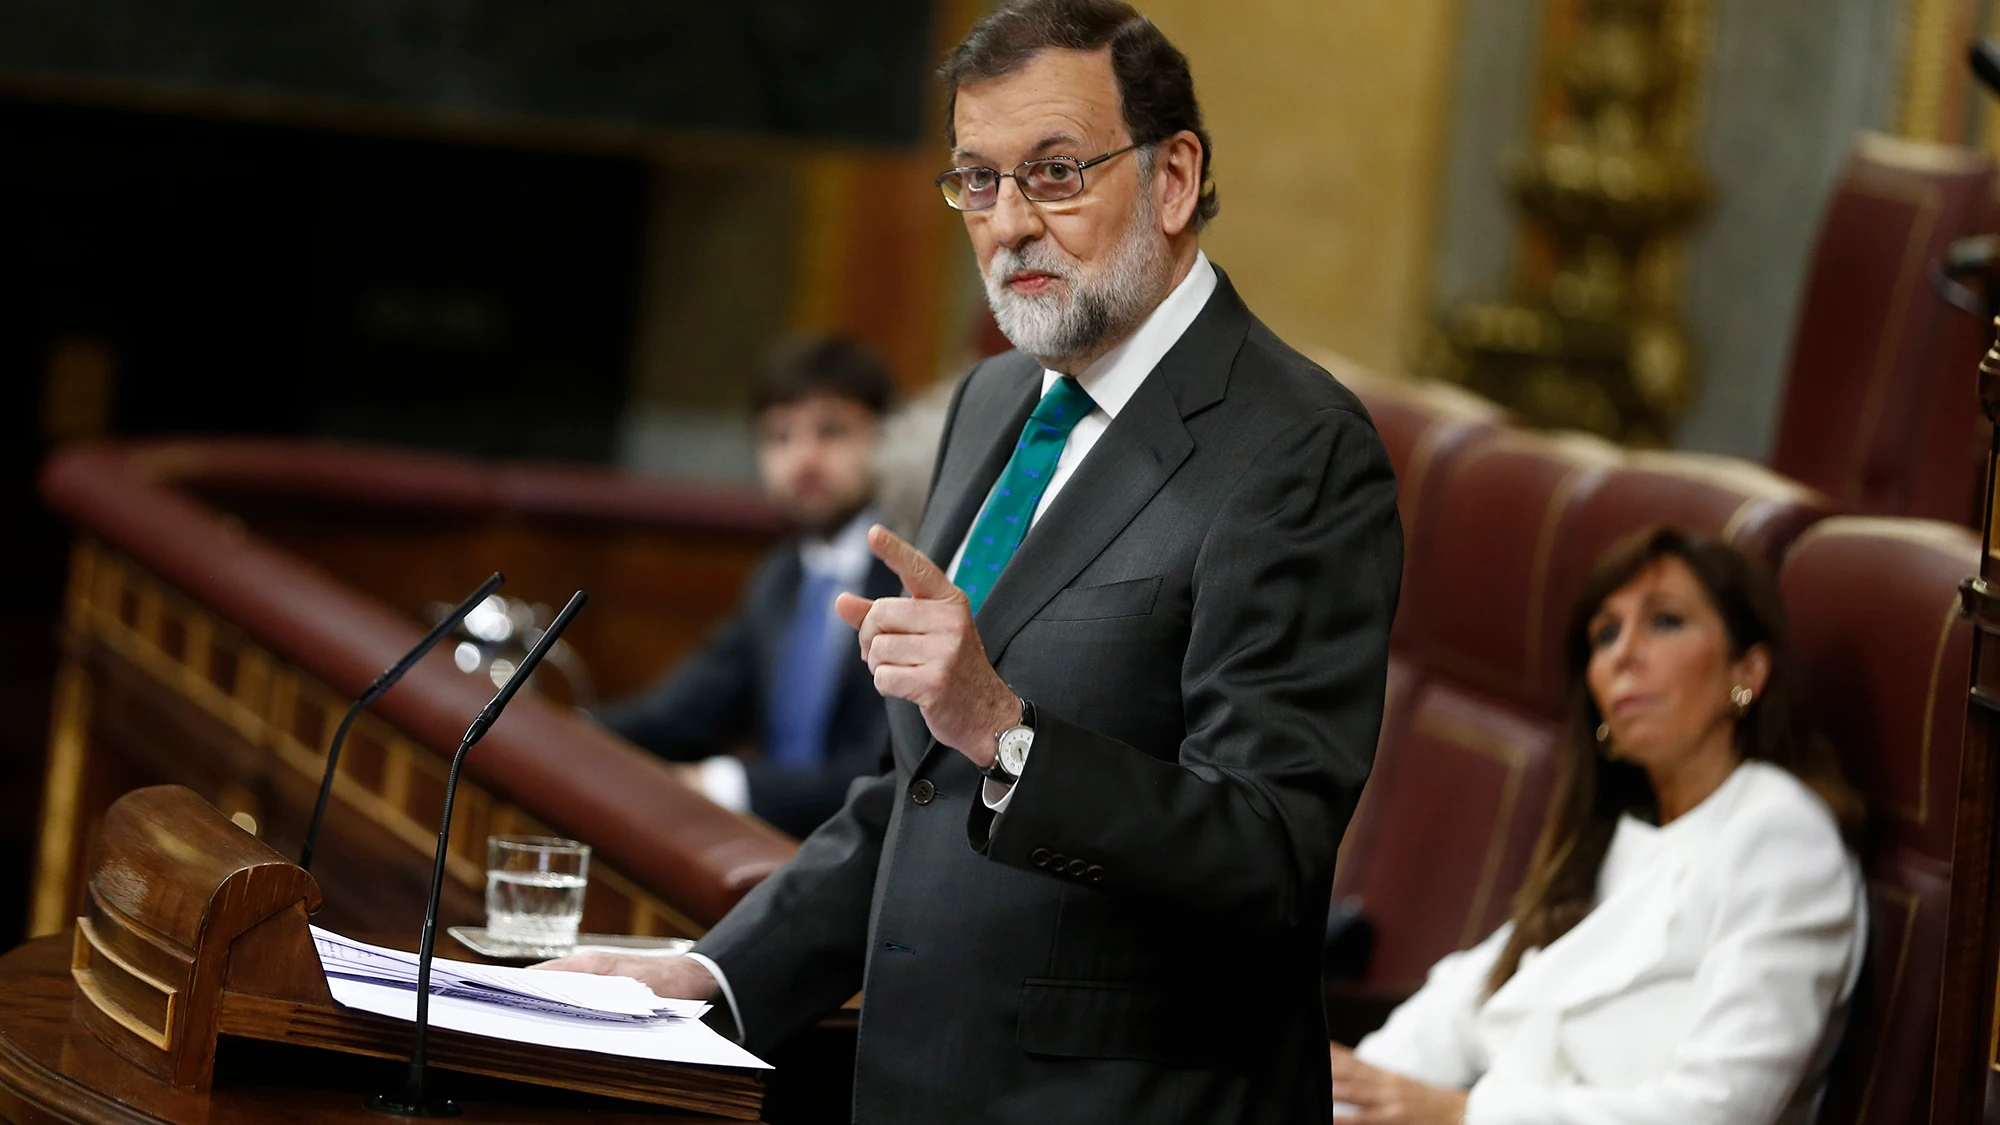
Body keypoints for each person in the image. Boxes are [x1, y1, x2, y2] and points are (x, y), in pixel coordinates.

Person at [545, 2, 1402, 1120]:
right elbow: (924, 784)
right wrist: (710, 975)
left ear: (1174, 177)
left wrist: (1006, 729)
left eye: (1053, 173)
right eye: (976, 181)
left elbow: (1267, 852)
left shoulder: (1294, 449)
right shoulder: (997, 399)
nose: (1006, 225)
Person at [1330, 526, 1866, 1125]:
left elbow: (1722, 1108)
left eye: (1664, 622)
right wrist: (1349, 1097)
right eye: (1604, 634)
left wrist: (1460, 1112)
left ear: (1748, 670)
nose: (1622, 653)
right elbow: (1460, 1003)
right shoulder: (1610, 839)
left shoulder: (1783, 835)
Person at [593, 337, 900, 838]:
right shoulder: (780, 576)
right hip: (771, 852)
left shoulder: (914, 573)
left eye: (831, 432)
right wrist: (563, 727)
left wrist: (720, 785)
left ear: (886, 439)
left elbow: (885, 771)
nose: (803, 460)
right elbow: (680, 715)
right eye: (779, 437)